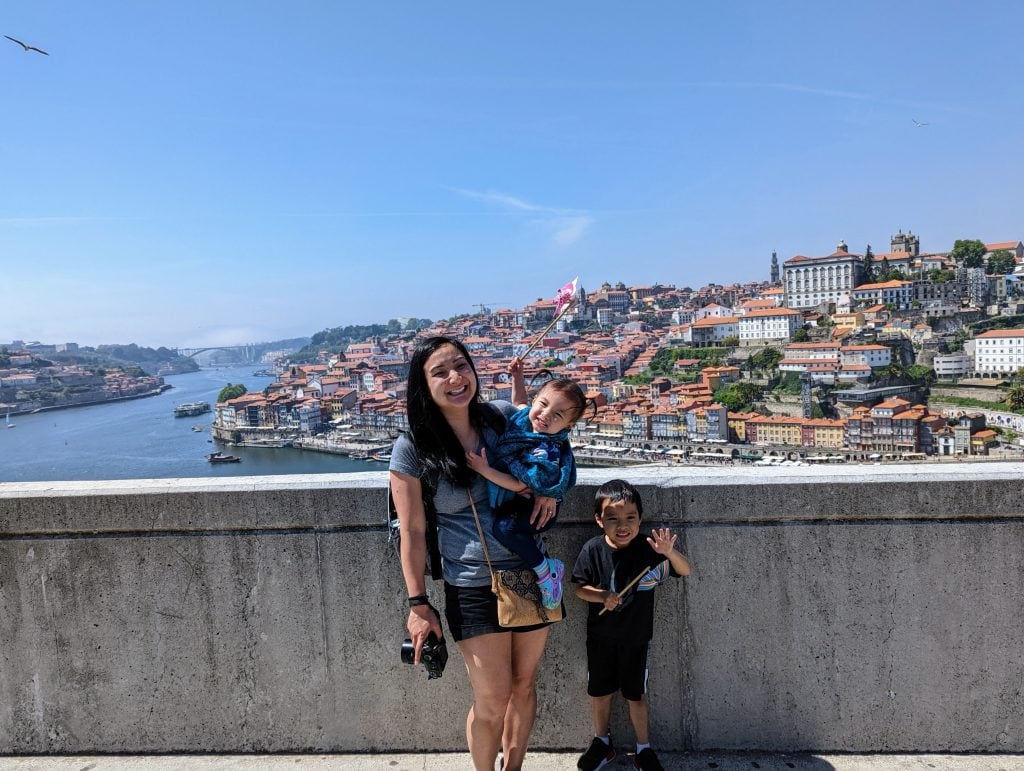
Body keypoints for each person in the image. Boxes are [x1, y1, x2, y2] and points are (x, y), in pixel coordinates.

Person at [389, 336, 558, 771]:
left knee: (524, 685)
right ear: (423, 387)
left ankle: (513, 767)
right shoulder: (413, 448)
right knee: (493, 698)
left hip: (530, 571)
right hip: (470, 583)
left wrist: (549, 491)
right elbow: (411, 528)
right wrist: (417, 603)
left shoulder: (499, 418)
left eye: (460, 366)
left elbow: (545, 449)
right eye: (440, 372)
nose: (455, 378)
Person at [571, 479, 692, 771]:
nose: (622, 525)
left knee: (635, 695)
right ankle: (602, 742)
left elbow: (684, 570)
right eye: (612, 518)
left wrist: (668, 552)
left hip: (637, 639)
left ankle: (643, 748)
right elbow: (578, 588)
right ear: (599, 520)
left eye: (630, 518)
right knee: (599, 693)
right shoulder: (592, 549)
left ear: (640, 518)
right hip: (600, 638)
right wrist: (603, 596)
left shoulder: (648, 550)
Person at [465, 356, 590, 610]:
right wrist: (517, 377)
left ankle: (546, 570)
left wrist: (484, 469)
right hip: (521, 504)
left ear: (568, 426)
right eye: (542, 404)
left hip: (535, 509)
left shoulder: (546, 449)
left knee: (504, 529)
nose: (544, 415)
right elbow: (519, 403)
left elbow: (519, 484)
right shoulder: (525, 423)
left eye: (557, 415)